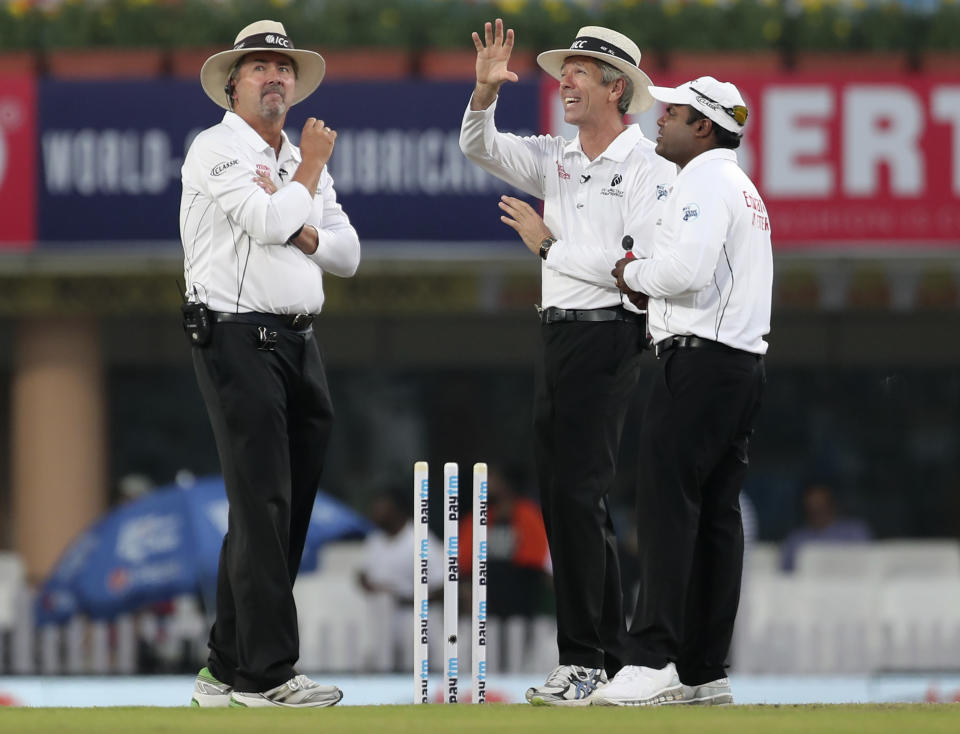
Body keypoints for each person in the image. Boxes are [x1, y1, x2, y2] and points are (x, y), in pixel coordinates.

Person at [459, 20, 676, 705]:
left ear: (618, 88)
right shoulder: (558, 156)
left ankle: (585, 659)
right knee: (571, 500)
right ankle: (607, 660)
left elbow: (637, 272)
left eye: (580, 71)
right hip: (558, 335)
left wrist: (550, 247)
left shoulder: (649, 169)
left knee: (577, 495)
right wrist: (484, 91)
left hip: (612, 334)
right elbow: (477, 145)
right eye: (565, 69)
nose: (566, 80)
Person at [181, 19, 359, 709]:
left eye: (282, 67)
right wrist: (308, 175)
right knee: (263, 501)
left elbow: (347, 255)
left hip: (298, 340)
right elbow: (263, 223)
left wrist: (302, 210)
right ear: (233, 84)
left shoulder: (291, 159)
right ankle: (269, 674)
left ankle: (226, 668)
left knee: (281, 509)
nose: (274, 77)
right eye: (259, 67)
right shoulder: (216, 149)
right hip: (233, 335)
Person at [594, 76, 772, 707]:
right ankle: (702, 667)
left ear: (705, 126)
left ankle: (653, 658)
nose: (660, 119)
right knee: (717, 516)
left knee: (668, 508)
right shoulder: (743, 186)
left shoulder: (703, 179)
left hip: (697, 364)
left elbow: (684, 272)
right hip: (740, 367)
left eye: (673, 112)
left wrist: (631, 272)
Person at [357, 488, 443, 671]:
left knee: (415, 668)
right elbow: (364, 573)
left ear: (398, 511)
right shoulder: (375, 540)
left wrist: (401, 597)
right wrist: (366, 583)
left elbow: (441, 587)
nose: (375, 514)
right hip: (382, 617)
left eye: (382, 509)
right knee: (381, 665)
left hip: (414, 617)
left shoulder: (421, 540)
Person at [458, 465, 550, 619]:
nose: (486, 481)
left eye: (492, 476)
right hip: (486, 602)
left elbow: (538, 561)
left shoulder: (528, 515)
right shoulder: (478, 516)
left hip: (522, 603)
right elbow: (463, 561)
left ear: (506, 483)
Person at [780, 482, 871, 571]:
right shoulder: (796, 539)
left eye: (822, 507)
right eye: (812, 509)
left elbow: (870, 564)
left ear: (833, 506)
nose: (817, 512)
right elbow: (785, 575)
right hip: (808, 585)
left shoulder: (855, 531)